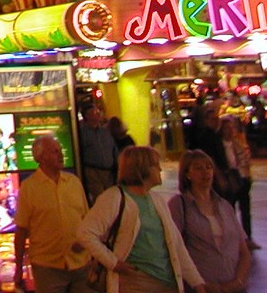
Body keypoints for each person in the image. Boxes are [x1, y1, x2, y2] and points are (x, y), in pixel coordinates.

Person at [78, 145, 205, 293]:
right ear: (143, 168)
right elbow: (85, 233)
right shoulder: (114, 198)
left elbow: (176, 244)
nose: (160, 169)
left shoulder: (156, 200)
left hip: (167, 280)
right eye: (155, 165)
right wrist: (113, 263)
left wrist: (197, 282)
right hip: (136, 281)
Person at [13, 133, 90, 293]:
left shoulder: (73, 182)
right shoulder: (29, 188)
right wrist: (19, 268)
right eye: (55, 151)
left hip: (80, 264)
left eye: (60, 150)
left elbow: (88, 220)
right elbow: (21, 230)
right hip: (47, 267)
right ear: (40, 157)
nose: (61, 155)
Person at [169, 149, 250, 293]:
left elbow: (243, 250)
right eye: (198, 168)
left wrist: (238, 281)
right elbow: (175, 250)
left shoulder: (224, 205)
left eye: (208, 167)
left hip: (234, 287)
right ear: (187, 174)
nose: (205, 172)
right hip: (201, 287)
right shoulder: (179, 205)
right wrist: (198, 284)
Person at [218, 116, 257, 249]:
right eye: (227, 128)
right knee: (230, 209)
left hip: (242, 178)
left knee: (245, 209)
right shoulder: (219, 146)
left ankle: (247, 238)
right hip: (230, 179)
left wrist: (247, 176)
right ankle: (234, 238)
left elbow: (245, 161)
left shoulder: (238, 143)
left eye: (232, 128)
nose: (230, 131)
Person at [79, 107, 118, 205]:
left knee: (111, 196)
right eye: (94, 113)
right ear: (87, 116)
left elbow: (112, 147)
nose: (98, 114)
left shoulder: (105, 132)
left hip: (108, 171)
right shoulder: (82, 133)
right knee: (100, 197)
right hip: (93, 170)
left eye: (98, 112)